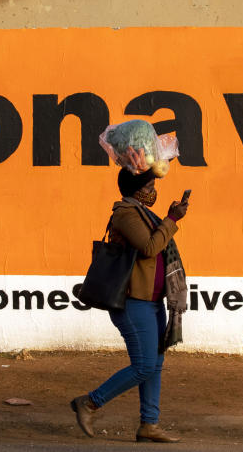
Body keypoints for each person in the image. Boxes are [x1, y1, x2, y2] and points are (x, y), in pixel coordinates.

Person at [71, 165, 189, 443]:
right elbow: (149, 247)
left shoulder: (144, 213)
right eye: (148, 188)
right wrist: (172, 218)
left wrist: (169, 218)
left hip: (152, 301)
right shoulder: (125, 213)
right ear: (135, 190)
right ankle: (89, 403)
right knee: (144, 366)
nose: (152, 192)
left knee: (155, 364)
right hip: (133, 302)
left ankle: (149, 424)